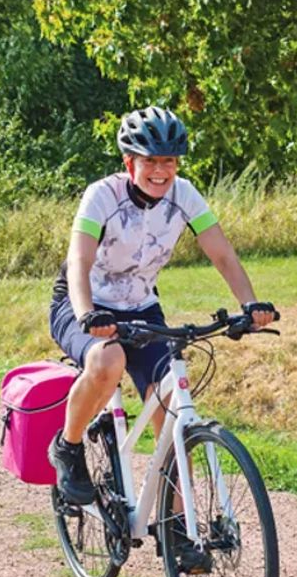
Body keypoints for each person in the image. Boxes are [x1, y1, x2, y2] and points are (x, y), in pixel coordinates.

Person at [48, 106, 277, 504]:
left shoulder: (184, 195)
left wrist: (250, 304)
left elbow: (222, 254)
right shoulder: (102, 196)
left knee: (171, 410)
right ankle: (68, 447)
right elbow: (80, 263)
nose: (160, 171)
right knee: (107, 361)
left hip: (141, 307)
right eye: (149, 160)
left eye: (168, 161)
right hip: (82, 301)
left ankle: (180, 532)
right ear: (129, 162)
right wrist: (87, 314)